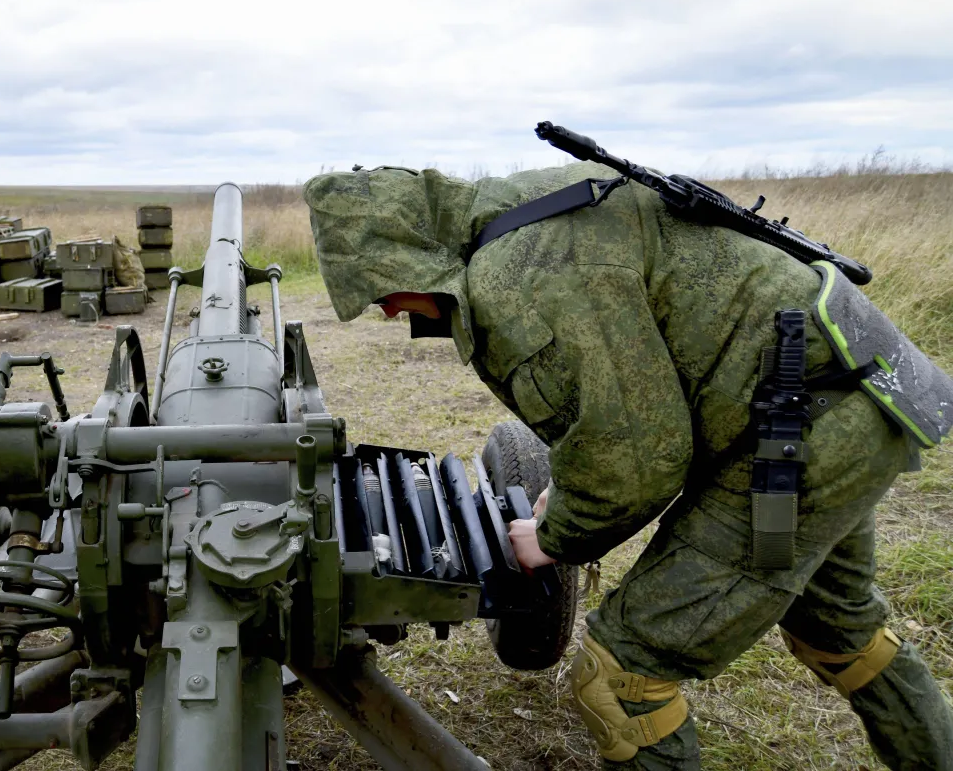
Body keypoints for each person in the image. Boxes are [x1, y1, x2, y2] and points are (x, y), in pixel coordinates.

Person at [304, 163, 953, 770]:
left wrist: (553, 537)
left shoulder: (517, 275)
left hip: (800, 429)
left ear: (409, 250)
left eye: (379, 287)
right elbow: (624, 401)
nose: (385, 310)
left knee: (622, 675)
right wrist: (566, 489)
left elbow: (639, 458)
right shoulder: (525, 218)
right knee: (838, 629)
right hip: (851, 391)